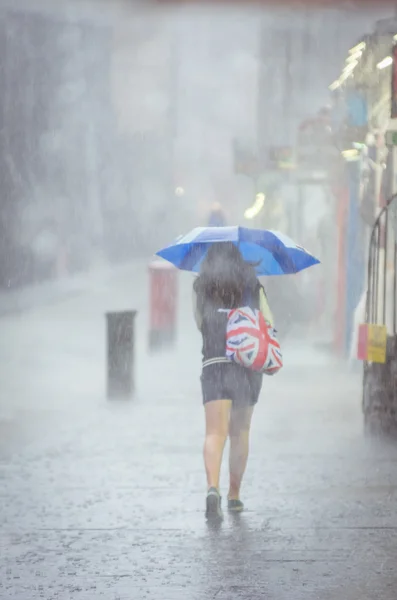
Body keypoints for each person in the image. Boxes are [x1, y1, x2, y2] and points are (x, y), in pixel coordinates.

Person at [192, 242, 274, 520]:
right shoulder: (252, 281)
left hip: (214, 363)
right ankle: (234, 495)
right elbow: (267, 321)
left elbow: (199, 323)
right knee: (240, 433)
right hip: (246, 366)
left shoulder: (202, 284)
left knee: (215, 433)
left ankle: (212, 488)